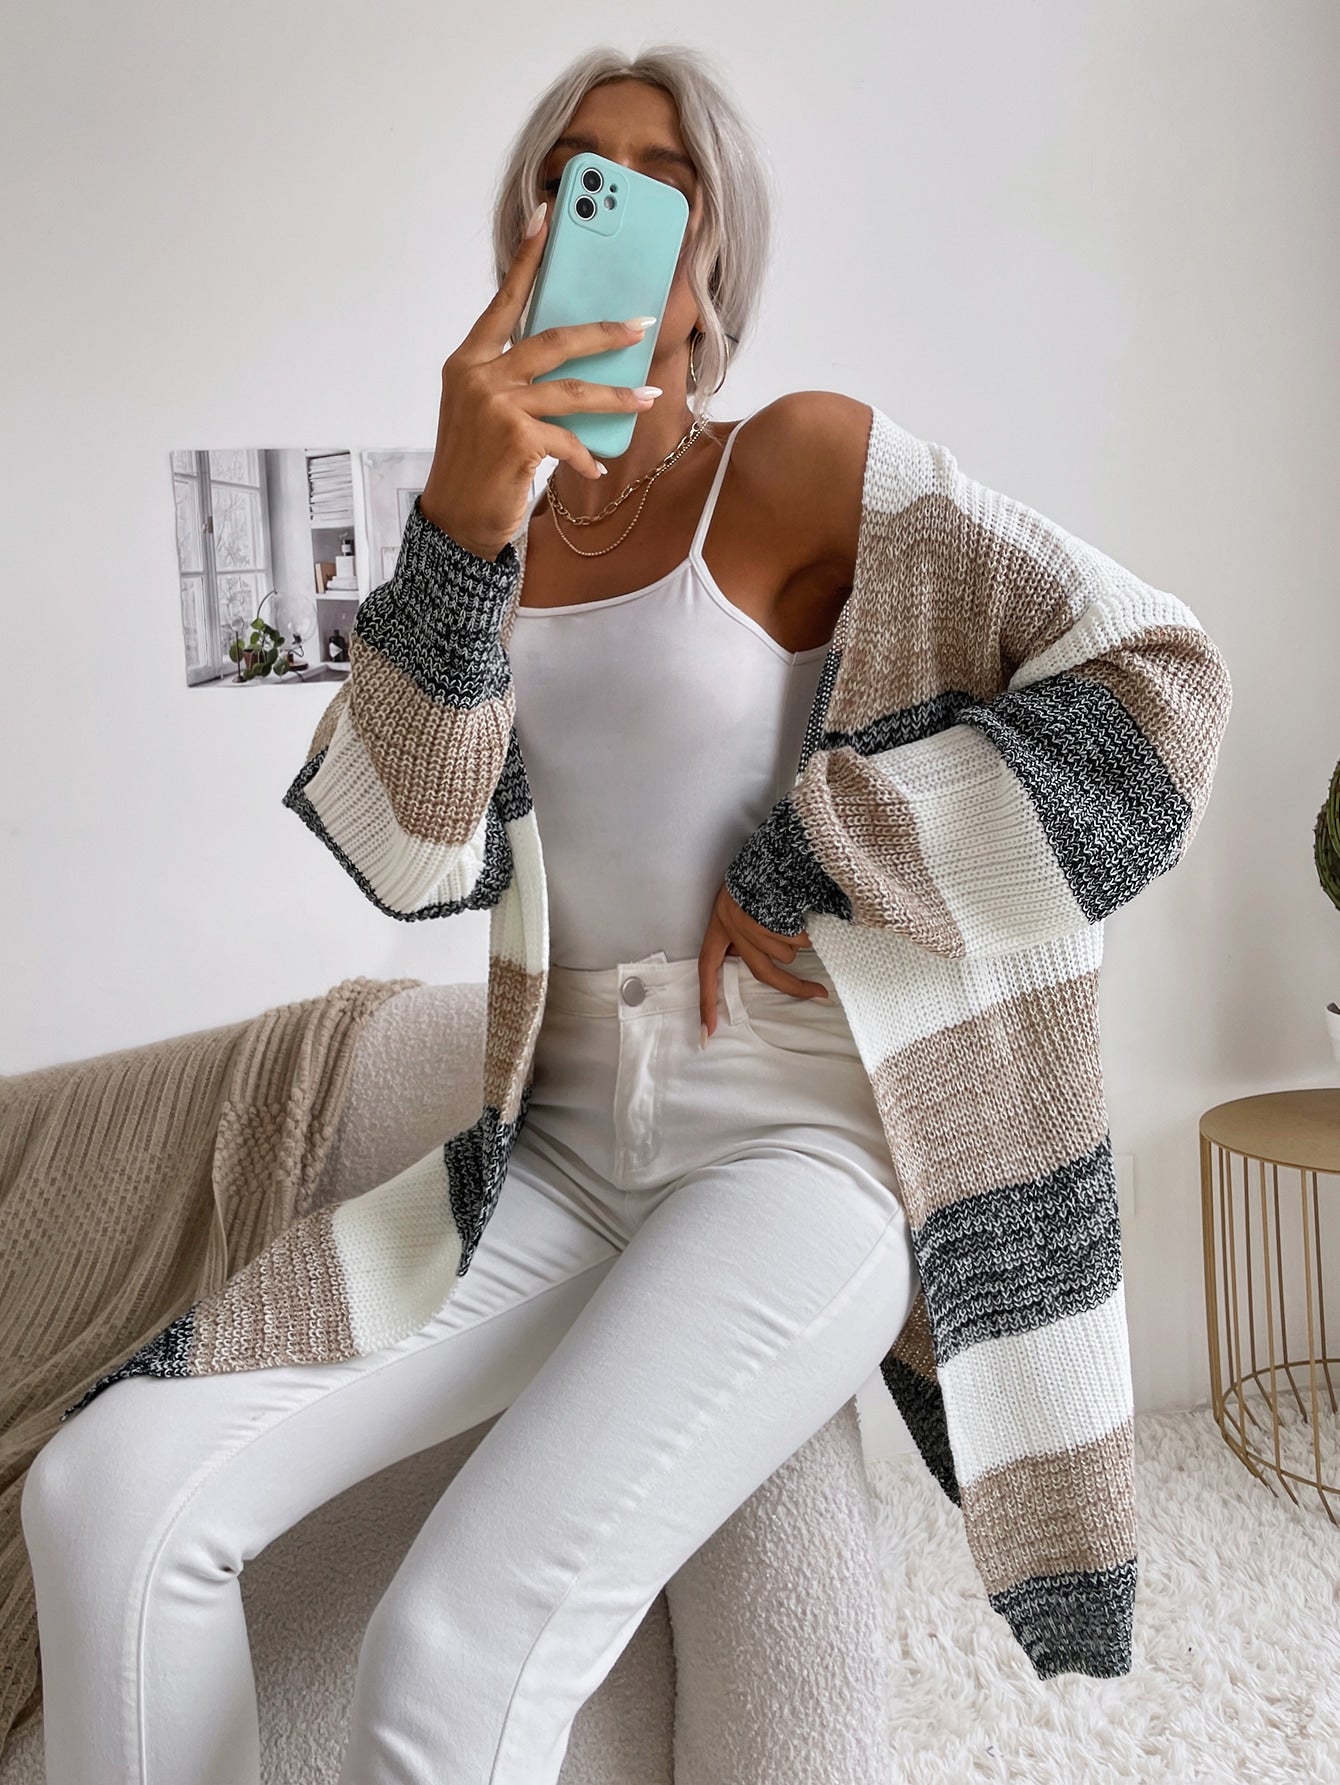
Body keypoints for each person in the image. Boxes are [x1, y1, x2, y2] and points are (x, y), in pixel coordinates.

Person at [21, 43, 919, 1785]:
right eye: (574, 174)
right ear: (525, 233)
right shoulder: (483, 520)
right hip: (554, 1152)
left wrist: (817, 855)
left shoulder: (798, 460)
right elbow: (407, 852)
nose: (605, 199)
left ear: (712, 259)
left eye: (658, 181)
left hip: (791, 1158)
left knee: (444, 1651)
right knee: (103, 1493)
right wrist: (454, 526)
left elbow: (1141, 678)